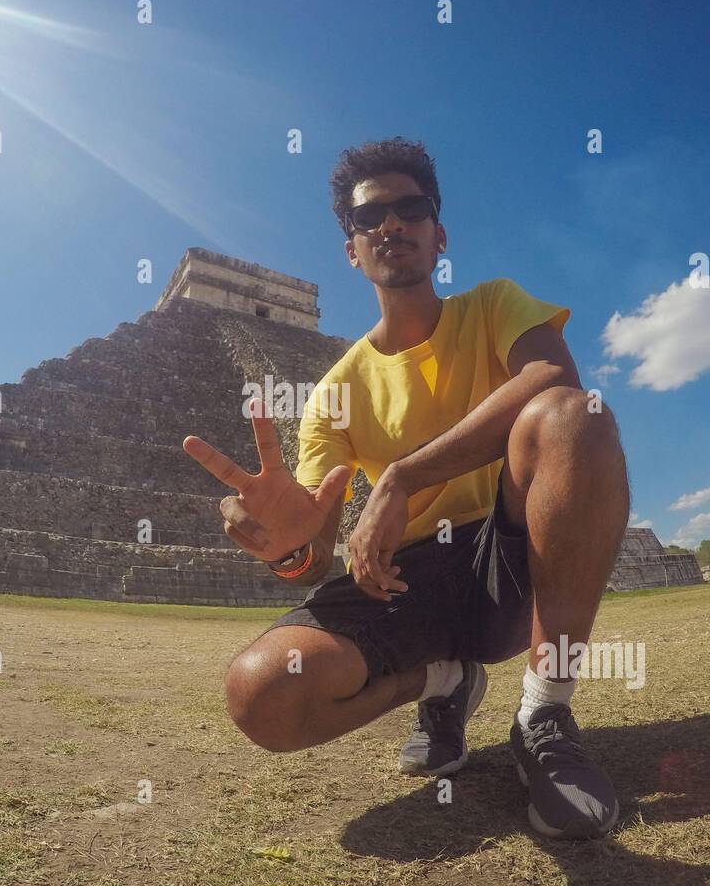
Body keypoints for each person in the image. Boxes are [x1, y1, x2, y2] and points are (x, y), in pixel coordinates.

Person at [183, 138, 629, 840]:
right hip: (403, 579)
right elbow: (314, 541)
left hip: (505, 558)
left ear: (438, 233)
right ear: (352, 250)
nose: (391, 224)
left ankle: (544, 712)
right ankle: (440, 682)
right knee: (261, 693)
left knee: (579, 420)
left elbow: (553, 380)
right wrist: (285, 544)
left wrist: (403, 474)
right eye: (370, 217)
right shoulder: (334, 391)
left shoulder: (494, 305)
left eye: (411, 208)